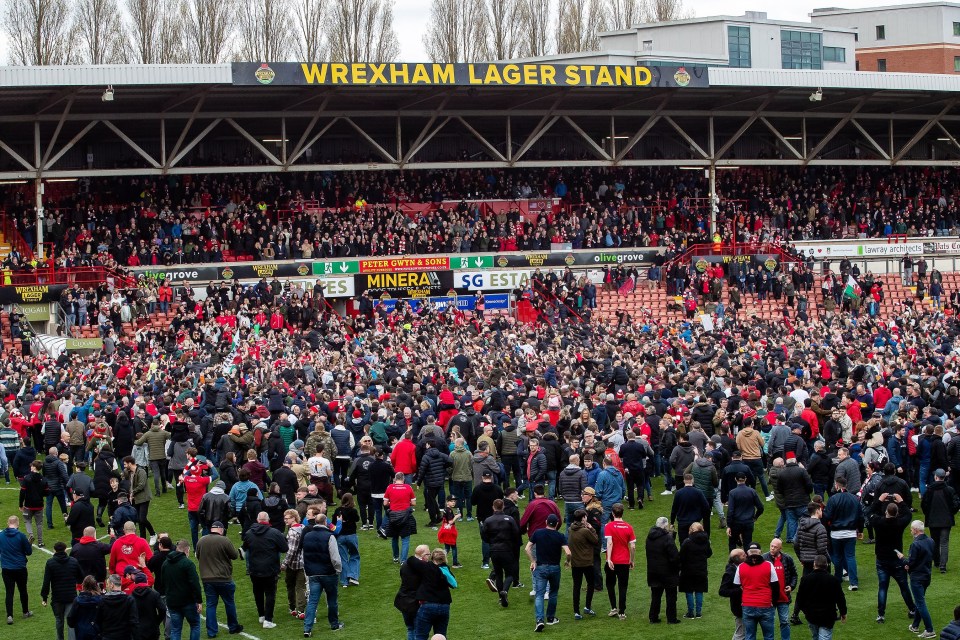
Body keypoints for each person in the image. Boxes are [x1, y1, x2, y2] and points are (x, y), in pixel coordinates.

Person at [867, 495, 916, 623]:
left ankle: (881, 615)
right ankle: (912, 609)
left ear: (885, 512)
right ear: (897, 513)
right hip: (897, 560)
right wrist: (901, 501)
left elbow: (869, 512)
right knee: (904, 586)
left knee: (883, 587)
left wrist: (879, 500)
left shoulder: (879, 522)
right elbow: (909, 515)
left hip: (882, 560)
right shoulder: (899, 523)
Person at [195, 521, 243, 637]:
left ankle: (211, 632)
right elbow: (235, 555)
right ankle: (233, 627)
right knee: (229, 603)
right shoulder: (224, 540)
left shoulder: (201, 540)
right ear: (221, 529)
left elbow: (197, 556)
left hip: (207, 579)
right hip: (224, 578)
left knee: (211, 605)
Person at [242, 511, 289, 629]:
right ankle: (268, 619)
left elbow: (244, 548)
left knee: (257, 592)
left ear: (258, 520)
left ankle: (261, 616)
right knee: (270, 593)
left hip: (254, 568)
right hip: (270, 568)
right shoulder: (275, 533)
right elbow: (284, 548)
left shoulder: (249, 533)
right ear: (268, 520)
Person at [525, 513, 570, 632]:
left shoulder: (538, 533)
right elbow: (568, 552)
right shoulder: (560, 536)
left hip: (540, 568)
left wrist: (533, 561)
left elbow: (527, 548)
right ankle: (550, 618)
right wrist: (567, 561)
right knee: (553, 593)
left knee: (539, 594)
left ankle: (539, 620)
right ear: (556, 524)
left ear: (546, 522)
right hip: (555, 568)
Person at [302, 513, 344, 634]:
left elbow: (304, 555)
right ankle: (334, 624)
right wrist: (338, 570)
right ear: (325, 522)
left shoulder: (307, 536)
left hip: (313, 574)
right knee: (332, 600)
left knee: (312, 601)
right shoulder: (329, 536)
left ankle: (307, 628)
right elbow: (335, 557)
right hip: (328, 573)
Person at [822, 475, 863, 591]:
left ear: (837, 485)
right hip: (850, 533)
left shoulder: (833, 499)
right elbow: (861, 516)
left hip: (836, 533)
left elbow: (827, 516)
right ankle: (853, 582)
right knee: (850, 557)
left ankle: (838, 579)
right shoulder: (854, 499)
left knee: (838, 557)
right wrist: (860, 530)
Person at [792, 502, 829, 625]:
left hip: (806, 562)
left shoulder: (801, 526)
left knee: (803, 589)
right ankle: (828, 611)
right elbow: (822, 549)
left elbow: (796, 543)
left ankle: (795, 614)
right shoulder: (820, 527)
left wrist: (801, 558)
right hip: (818, 563)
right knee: (824, 588)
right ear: (818, 510)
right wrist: (824, 562)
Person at [794, 555, 847, 640]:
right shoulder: (833, 580)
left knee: (815, 637)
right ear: (826, 565)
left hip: (811, 615)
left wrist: (798, 612)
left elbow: (800, 598)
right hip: (827, 616)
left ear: (814, 564)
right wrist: (843, 612)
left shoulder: (806, 579)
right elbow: (840, 598)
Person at [40, 540, 83, 640]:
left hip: (57, 598)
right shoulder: (73, 561)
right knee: (70, 621)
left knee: (59, 620)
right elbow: (81, 578)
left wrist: (44, 597)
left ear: (54, 550)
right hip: (71, 597)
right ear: (65, 549)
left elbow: (46, 581)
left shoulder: (50, 563)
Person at [410, 548, 457, 640]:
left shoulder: (426, 566)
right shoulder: (445, 569)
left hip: (428, 605)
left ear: (431, 557)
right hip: (444, 606)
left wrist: (422, 555)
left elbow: (411, 560)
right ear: (444, 559)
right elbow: (454, 584)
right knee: (440, 636)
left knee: (420, 636)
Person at [481, 498, 520, 607]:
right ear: (503, 507)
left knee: (498, 574)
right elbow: (516, 533)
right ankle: (505, 591)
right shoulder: (510, 519)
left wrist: (491, 542)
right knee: (510, 573)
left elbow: (484, 536)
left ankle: (500, 597)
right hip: (507, 549)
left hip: (494, 550)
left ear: (493, 507)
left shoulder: (488, 520)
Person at [734, 542, 778, 640]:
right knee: (769, 636)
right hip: (765, 604)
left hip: (748, 605)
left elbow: (736, 586)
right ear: (760, 552)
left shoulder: (741, 567)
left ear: (747, 553)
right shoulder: (769, 565)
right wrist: (773, 603)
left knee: (749, 636)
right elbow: (775, 586)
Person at [161, 539, 202, 640]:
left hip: (172, 602)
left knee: (175, 629)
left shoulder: (165, 563)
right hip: (188, 602)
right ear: (186, 550)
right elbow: (195, 584)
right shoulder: (188, 564)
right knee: (195, 625)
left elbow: (163, 582)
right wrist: (199, 601)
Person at [919, 468, 959, 573]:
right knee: (944, 543)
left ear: (936, 477)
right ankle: (943, 565)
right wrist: (951, 513)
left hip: (933, 520)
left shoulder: (929, 490)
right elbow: (956, 503)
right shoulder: (949, 489)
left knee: (935, 542)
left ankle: (936, 562)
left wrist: (928, 514)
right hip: (946, 521)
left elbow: (924, 505)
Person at [902, 520, 936, 638]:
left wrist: (902, 559)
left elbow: (911, 562)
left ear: (915, 530)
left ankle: (930, 629)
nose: (911, 531)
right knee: (919, 601)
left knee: (920, 603)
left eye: (911, 529)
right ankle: (915, 626)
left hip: (917, 578)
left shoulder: (915, 544)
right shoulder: (931, 541)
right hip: (927, 576)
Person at [603, 502, 635, 620]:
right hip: (624, 561)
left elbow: (609, 543)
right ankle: (622, 612)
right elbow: (632, 546)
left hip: (612, 561)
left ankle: (613, 608)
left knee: (610, 584)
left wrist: (609, 559)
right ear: (622, 513)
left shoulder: (609, 526)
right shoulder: (629, 527)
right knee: (623, 586)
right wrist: (631, 560)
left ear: (612, 513)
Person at [646, 516, 681, 624]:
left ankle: (653, 617)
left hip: (653, 571)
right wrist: (678, 568)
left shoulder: (649, 538)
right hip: (668, 572)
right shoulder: (667, 538)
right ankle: (671, 618)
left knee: (656, 596)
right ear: (665, 526)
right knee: (671, 596)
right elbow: (674, 556)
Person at [0, 515, 32, 625]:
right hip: (20, 567)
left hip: (6, 568)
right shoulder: (21, 536)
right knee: (23, 590)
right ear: (17, 523)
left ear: (8, 523)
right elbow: (29, 552)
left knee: (9, 592)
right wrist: (28, 544)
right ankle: (25, 612)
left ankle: (9, 615)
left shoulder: (1, 536)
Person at [763, 538, 798, 640]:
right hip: (769, 598)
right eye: (771, 546)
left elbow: (794, 575)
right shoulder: (764, 558)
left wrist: (791, 586)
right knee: (769, 621)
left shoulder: (787, 558)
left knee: (784, 621)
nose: (772, 548)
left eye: (775, 547)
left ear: (780, 548)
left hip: (783, 597)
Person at [395, 545, 431, 640]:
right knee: (419, 631)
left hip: (403, 601)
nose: (429, 556)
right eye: (428, 554)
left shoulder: (405, 564)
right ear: (423, 555)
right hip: (415, 603)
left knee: (410, 628)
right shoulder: (422, 567)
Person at [567, 508, 598, 620]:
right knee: (591, 584)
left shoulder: (570, 529)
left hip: (575, 563)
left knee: (576, 586)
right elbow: (595, 540)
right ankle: (587, 607)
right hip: (586, 562)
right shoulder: (585, 531)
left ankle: (576, 612)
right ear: (583, 518)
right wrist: (591, 528)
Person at [382, 472, 418, 562]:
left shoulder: (389, 487)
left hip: (393, 516)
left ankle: (395, 557)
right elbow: (413, 503)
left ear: (395, 479)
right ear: (403, 479)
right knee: (405, 539)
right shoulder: (408, 487)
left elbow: (385, 503)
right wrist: (405, 503)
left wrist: (393, 503)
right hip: (405, 516)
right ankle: (403, 561)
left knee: (394, 537)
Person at [471, 470, 504, 569]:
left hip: (482, 518)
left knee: (485, 540)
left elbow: (473, 502)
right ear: (491, 477)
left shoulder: (477, 488)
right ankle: (496, 560)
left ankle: (485, 562)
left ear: (482, 477)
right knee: (496, 539)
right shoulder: (497, 489)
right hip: (496, 517)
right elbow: (501, 501)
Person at [679, 521, 712, 619]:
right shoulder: (706, 541)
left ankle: (690, 612)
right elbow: (709, 554)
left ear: (692, 530)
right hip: (701, 569)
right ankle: (698, 612)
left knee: (689, 590)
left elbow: (681, 555)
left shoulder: (687, 541)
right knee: (699, 590)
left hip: (688, 570)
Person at [727, 472, 765, 551]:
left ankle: (733, 561)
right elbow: (760, 507)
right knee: (747, 544)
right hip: (748, 522)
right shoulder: (752, 491)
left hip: (736, 522)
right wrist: (755, 517)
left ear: (735, 479)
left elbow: (730, 510)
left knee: (732, 543)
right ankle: (748, 561)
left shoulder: (732, 493)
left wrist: (729, 525)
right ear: (745, 479)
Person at [281, 509, 307, 619]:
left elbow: (291, 550)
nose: (285, 520)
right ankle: (301, 611)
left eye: (287, 518)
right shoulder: (304, 528)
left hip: (292, 564)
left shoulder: (292, 531)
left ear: (293, 518)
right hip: (303, 562)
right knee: (301, 587)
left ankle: (293, 608)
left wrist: (284, 563)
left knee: (291, 586)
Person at [97, 574, 140, 640]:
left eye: (108, 584)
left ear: (112, 584)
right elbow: (134, 621)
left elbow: (98, 620)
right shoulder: (129, 600)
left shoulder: (102, 600)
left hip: (108, 636)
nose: (107, 586)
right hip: (124, 636)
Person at [124, 455, 156, 543]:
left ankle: (153, 534)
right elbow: (124, 477)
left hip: (144, 498)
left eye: (125, 464)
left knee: (142, 519)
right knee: (139, 520)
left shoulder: (141, 471)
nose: (124, 466)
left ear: (130, 463)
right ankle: (143, 539)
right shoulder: (130, 472)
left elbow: (141, 485)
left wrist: (132, 492)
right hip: (135, 498)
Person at [671, 473, 711, 542]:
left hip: (682, 523)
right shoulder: (698, 492)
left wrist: (672, 522)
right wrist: (704, 518)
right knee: (695, 542)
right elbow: (706, 507)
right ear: (693, 481)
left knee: (683, 543)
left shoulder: (678, 493)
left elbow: (674, 509)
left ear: (684, 481)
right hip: (695, 523)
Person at [130, 569, 166, 640]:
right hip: (152, 629)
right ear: (146, 581)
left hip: (138, 630)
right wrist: (157, 621)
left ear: (135, 583)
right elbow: (163, 609)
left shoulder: (131, 597)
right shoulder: (154, 594)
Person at [719, 548, 747, 640]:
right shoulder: (730, 572)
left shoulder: (740, 567)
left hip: (744, 605)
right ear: (737, 559)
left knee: (745, 632)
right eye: (743, 555)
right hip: (739, 607)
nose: (746, 555)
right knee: (740, 633)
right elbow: (722, 591)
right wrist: (739, 590)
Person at [334, 493, 361, 585]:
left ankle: (344, 581)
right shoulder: (353, 510)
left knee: (343, 558)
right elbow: (357, 519)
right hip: (351, 536)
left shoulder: (338, 510)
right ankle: (353, 576)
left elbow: (334, 523)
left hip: (341, 537)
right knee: (354, 555)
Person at [19, 459, 47, 546]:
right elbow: (46, 492)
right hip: (39, 505)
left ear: (34, 467)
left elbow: (22, 492)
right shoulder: (44, 479)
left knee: (27, 521)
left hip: (28, 505)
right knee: (39, 524)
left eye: (31, 466)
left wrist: (20, 504)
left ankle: (30, 535)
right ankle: (40, 542)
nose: (30, 467)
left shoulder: (27, 478)